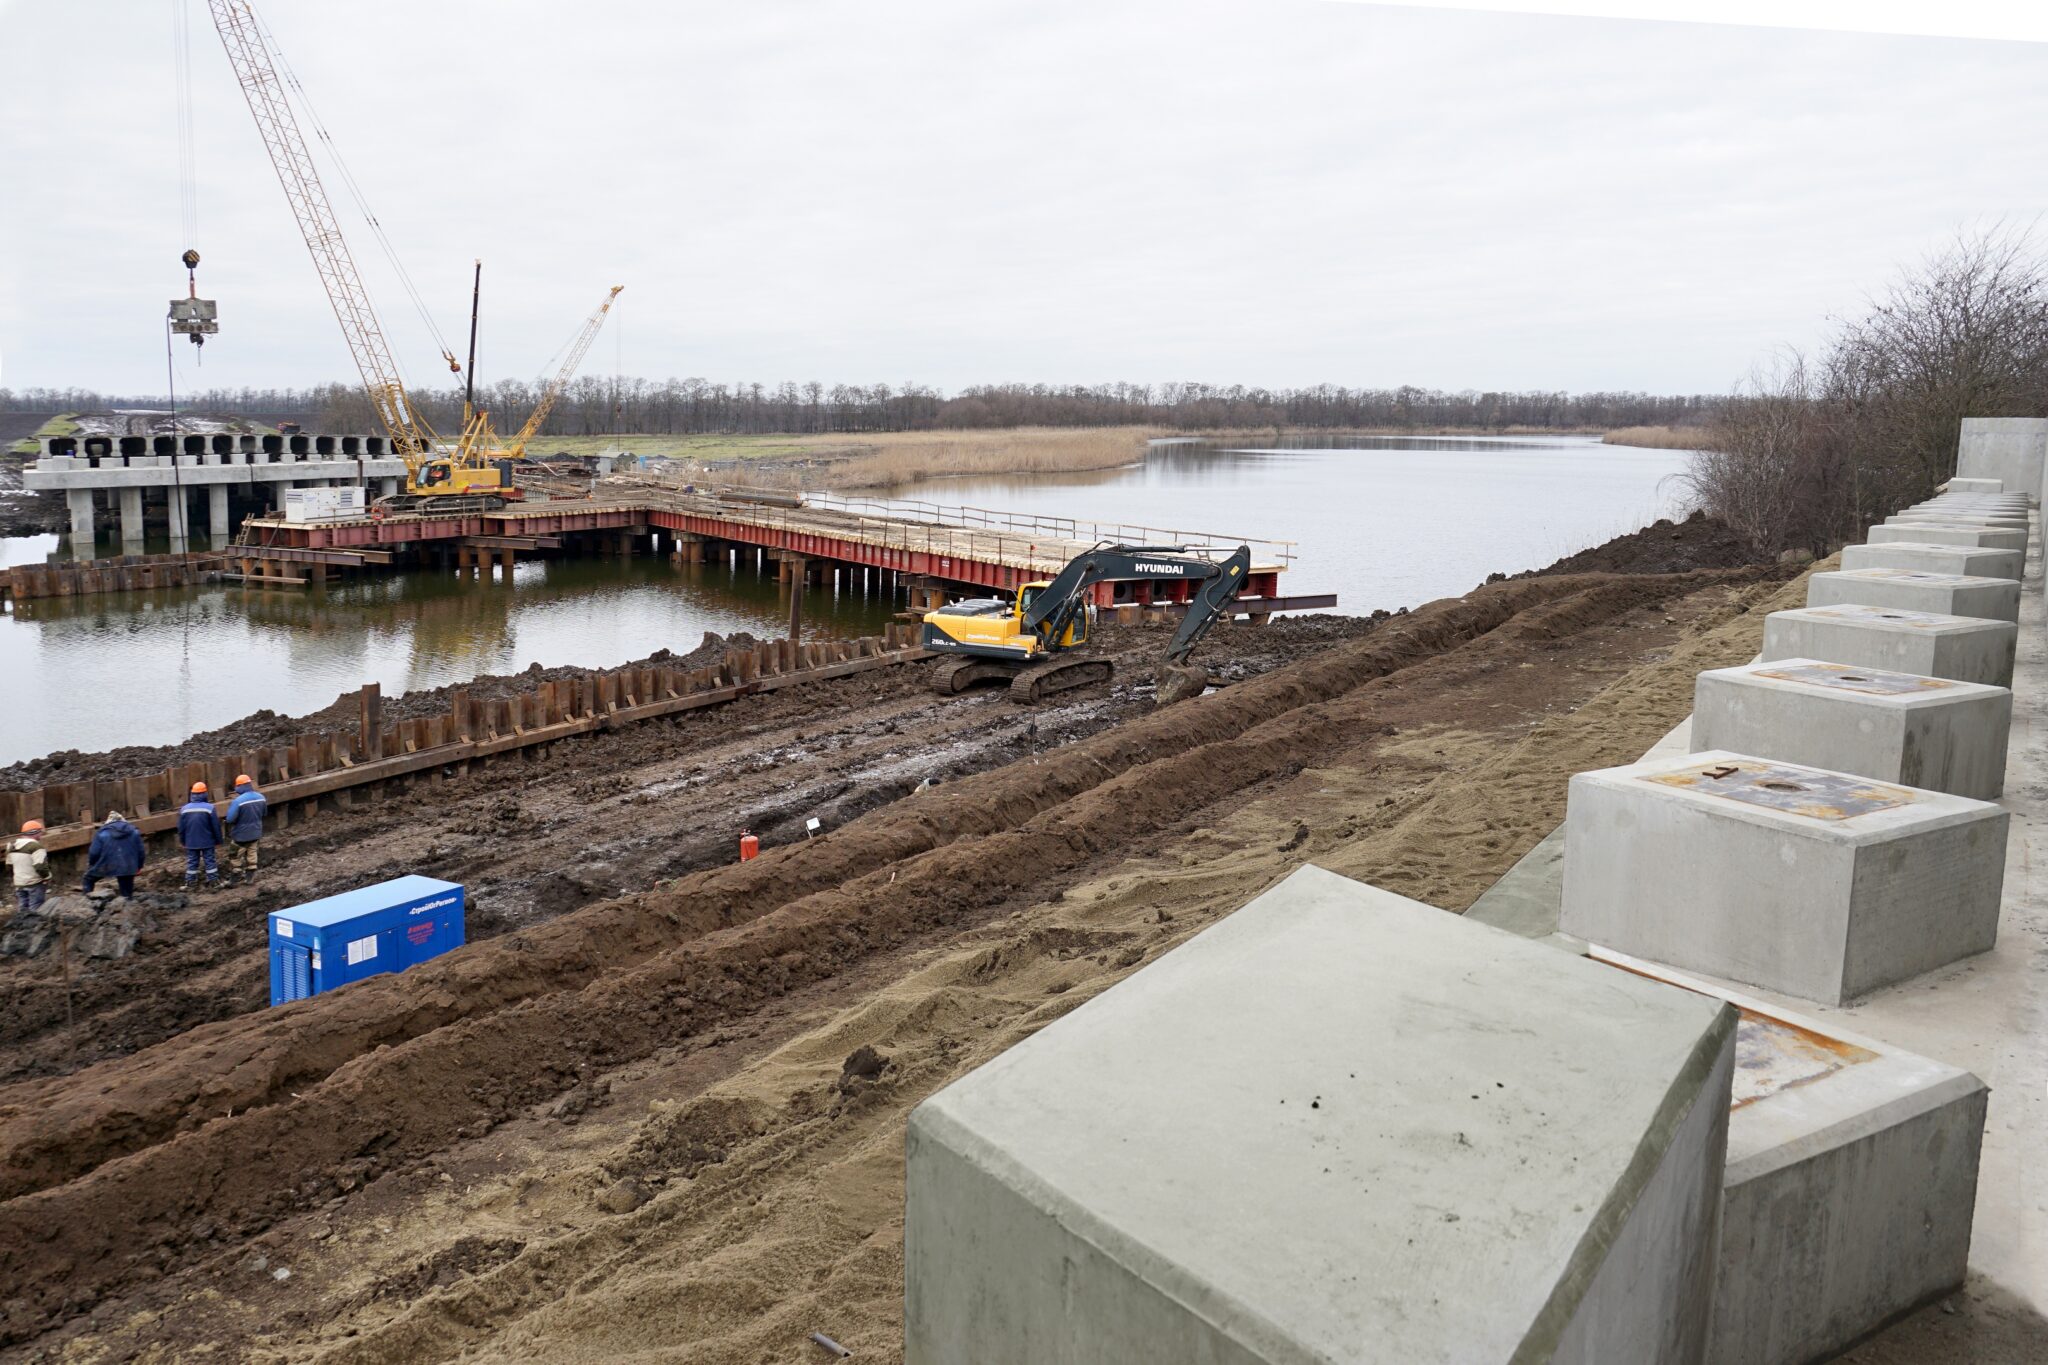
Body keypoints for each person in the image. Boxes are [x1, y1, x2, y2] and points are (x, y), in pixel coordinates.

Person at [83, 810, 146, 900]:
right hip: (128, 866)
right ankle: (127, 905)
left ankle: (87, 901)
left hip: (107, 864)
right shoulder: (134, 832)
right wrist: (139, 867)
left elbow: (94, 852)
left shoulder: (102, 833)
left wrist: (92, 865)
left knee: (88, 878)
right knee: (126, 891)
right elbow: (141, 852)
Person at [178, 781, 224, 891]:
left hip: (191, 842)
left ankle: (190, 883)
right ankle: (214, 882)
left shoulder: (184, 809)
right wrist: (219, 840)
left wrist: (183, 841)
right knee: (210, 861)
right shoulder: (209, 808)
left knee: (192, 862)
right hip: (207, 841)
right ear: (204, 794)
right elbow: (215, 826)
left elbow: (181, 828)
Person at [223, 775, 268, 885]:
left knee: (235, 855)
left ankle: (234, 879)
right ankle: (250, 878)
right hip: (256, 832)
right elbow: (264, 813)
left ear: (240, 786)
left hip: (241, 835)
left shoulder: (238, 801)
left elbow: (230, 819)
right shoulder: (261, 797)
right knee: (252, 854)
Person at [8, 820, 50, 914]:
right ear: (35, 832)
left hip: (19, 883)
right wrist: (47, 877)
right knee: (35, 910)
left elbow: (9, 866)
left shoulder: (12, 846)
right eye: (40, 832)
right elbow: (40, 867)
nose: (41, 835)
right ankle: (34, 927)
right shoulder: (36, 847)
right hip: (34, 883)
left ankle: (20, 927)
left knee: (22, 910)